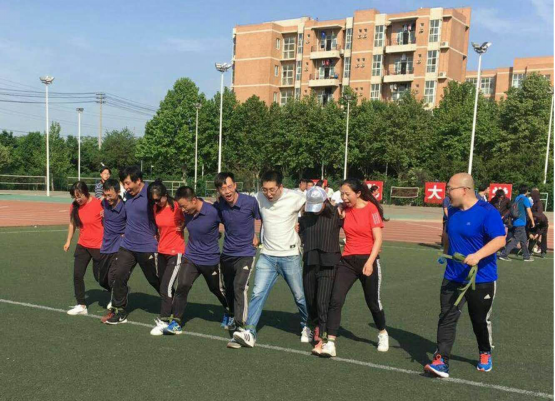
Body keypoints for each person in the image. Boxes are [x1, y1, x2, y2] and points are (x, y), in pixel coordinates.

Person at [424, 173, 506, 379]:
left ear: (464, 190)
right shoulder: (451, 211)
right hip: (453, 276)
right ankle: (441, 360)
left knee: (478, 320)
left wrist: (477, 256)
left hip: (481, 279)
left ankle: (485, 351)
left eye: (449, 189)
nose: (446, 193)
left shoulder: (487, 212)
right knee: (447, 317)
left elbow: (500, 240)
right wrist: (445, 252)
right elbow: (448, 234)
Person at [233, 171, 310, 348]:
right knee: (257, 293)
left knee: (299, 296)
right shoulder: (258, 197)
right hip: (267, 256)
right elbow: (242, 206)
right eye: (265, 189)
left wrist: (304, 225)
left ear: (281, 187)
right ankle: (249, 332)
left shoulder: (295, 197)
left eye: (272, 189)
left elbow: (315, 206)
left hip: (290, 256)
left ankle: (307, 325)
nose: (268, 193)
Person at [320, 179, 388, 358]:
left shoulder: (371, 209)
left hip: (368, 260)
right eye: (342, 193)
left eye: (347, 194)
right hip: (348, 261)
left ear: (358, 193)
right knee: (336, 299)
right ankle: (330, 342)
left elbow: (378, 239)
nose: (343, 197)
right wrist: (339, 206)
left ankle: (382, 332)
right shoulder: (344, 209)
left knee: (373, 302)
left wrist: (370, 262)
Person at [163, 187, 229, 335]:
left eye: (184, 206)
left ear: (194, 200)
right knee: (182, 286)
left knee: (217, 289)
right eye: (180, 206)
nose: (182, 210)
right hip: (191, 257)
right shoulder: (186, 212)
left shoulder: (212, 212)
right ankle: (176, 322)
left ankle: (229, 311)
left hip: (210, 259)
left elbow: (230, 223)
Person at [106, 166, 161, 325]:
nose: (126, 187)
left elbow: (169, 206)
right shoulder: (128, 195)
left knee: (156, 280)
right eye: (124, 184)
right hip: (128, 244)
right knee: (118, 275)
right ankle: (119, 310)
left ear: (138, 181)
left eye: (128, 183)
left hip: (147, 246)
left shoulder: (151, 193)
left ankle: (173, 304)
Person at [213, 172, 261, 349]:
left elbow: (262, 219)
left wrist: (258, 236)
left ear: (235, 186)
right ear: (218, 191)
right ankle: (233, 314)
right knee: (228, 288)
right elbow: (212, 219)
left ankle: (241, 328)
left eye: (229, 186)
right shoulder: (220, 205)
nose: (227, 191)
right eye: (222, 188)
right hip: (227, 254)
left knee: (240, 286)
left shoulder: (250, 202)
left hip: (246, 253)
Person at [299, 186, 343, 355]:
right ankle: (315, 324)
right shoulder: (305, 217)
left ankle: (323, 339)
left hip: (329, 263)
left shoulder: (336, 214)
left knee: (322, 301)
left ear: (325, 201)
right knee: (310, 298)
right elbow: (301, 233)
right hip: (310, 261)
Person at [149, 180, 186, 336]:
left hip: (176, 252)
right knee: (164, 286)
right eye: (153, 200)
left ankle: (164, 320)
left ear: (165, 195)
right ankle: (174, 312)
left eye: (158, 199)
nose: (156, 202)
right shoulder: (155, 208)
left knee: (166, 286)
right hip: (161, 251)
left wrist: (183, 225)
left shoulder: (177, 206)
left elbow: (191, 214)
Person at [63, 181, 106, 316]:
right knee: (77, 275)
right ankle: (81, 305)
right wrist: (68, 241)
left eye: (79, 196)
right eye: (74, 197)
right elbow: (72, 224)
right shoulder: (74, 206)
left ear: (86, 192)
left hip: (99, 246)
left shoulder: (99, 204)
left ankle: (119, 292)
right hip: (82, 245)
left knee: (100, 278)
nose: (77, 199)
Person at [99, 179, 127, 323]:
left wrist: (125, 234)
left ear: (118, 192)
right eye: (105, 195)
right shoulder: (104, 203)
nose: (107, 198)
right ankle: (120, 292)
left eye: (110, 195)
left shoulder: (125, 207)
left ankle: (117, 309)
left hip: (119, 246)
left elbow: (133, 222)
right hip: (106, 246)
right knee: (101, 279)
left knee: (113, 278)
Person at [499, 184, 536, 262]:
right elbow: (529, 211)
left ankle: (526, 256)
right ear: (526, 191)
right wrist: (532, 221)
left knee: (523, 240)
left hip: (515, 221)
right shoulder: (525, 199)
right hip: (521, 222)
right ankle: (504, 254)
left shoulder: (517, 198)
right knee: (515, 240)